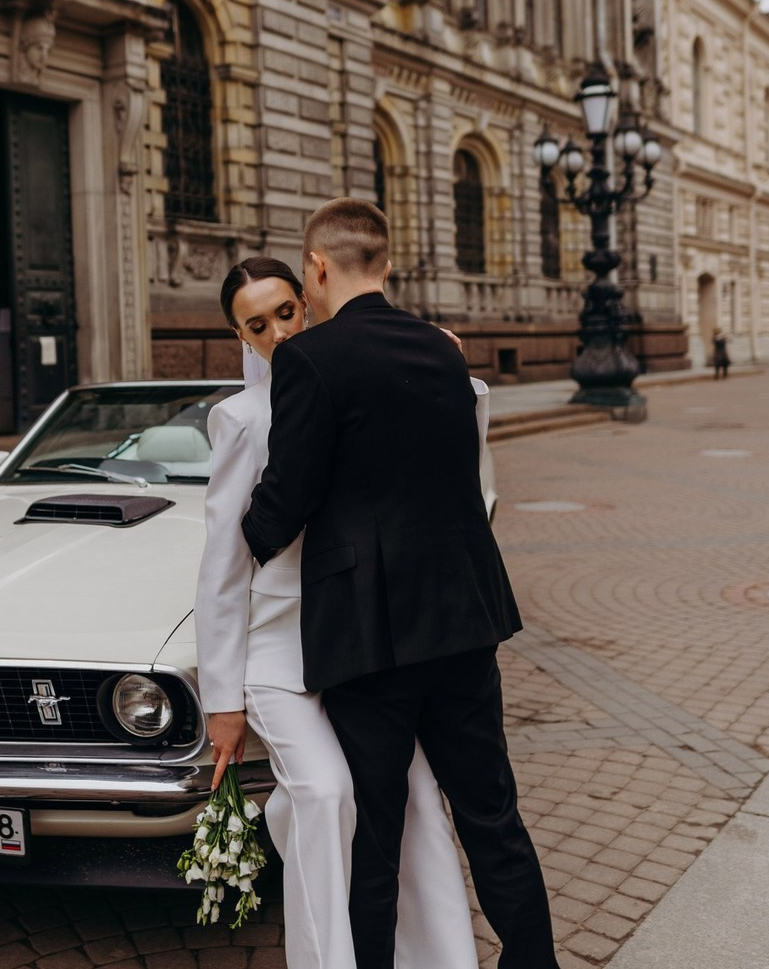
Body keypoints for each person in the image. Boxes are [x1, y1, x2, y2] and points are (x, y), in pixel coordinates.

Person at [242, 199, 559, 969]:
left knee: (374, 840)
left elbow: (286, 501)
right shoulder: (444, 352)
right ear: (385, 263)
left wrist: (247, 532)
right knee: (492, 817)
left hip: (370, 636)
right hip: (462, 621)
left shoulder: (308, 361)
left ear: (317, 267)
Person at [196, 256, 478, 969]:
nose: (279, 334)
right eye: (257, 326)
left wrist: (439, 348)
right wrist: (222, 697)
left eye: (287, 312)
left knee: (412, 802)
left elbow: (456, 414)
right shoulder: (239, 420)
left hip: (358, 645)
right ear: (241, 337)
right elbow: (224, 567)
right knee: (323, 794)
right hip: (280, 652)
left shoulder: (349, 380)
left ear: (310, 299)